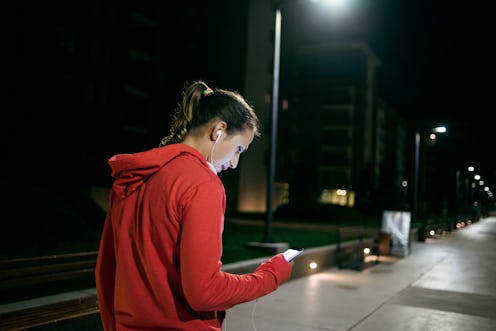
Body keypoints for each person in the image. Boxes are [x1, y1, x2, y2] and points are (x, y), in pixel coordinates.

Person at [95, 80, 293, 331]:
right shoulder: (202, 184)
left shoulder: (135, 176)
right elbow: (205, 292)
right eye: (238, 149)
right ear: (218, 130)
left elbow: (106, 271)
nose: (234, 164)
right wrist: (271, 276)